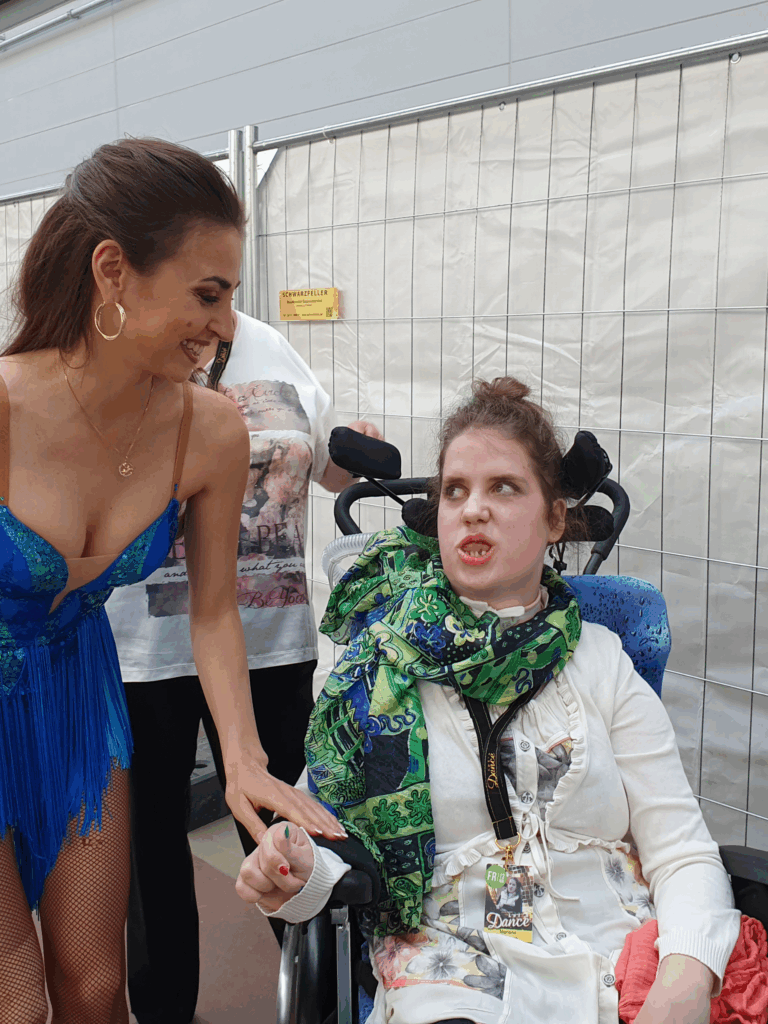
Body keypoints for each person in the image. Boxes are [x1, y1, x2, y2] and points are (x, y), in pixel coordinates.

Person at [236, 377, 741, 1024]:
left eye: (503, 487)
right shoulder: (379, 671)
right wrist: (291, 874)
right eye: (455, 491)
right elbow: (326, 856)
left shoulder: (602, 661)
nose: (473, 509)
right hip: (452, 975)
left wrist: (686, 977)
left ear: (554, 518)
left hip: (617, 960)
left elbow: (682, 851)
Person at [0, 137, 343, 1024]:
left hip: (81, 699)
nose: (225, 325)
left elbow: (214, 611)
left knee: (95, 987)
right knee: (15, 999)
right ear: (113, 271)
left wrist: (244, 758)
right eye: (208, 293)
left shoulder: (209, 430)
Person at [106, 307, 382, 1024]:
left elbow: (328, 469)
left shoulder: (272, 347)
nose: (219, 296)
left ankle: (325, 1001)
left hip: (271, 641)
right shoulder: (127, 347)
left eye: (228, 279)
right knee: (153, 845)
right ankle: (165, 1008)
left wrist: (354, 450)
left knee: (291, 828)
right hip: (146, 649)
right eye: (205, 280)